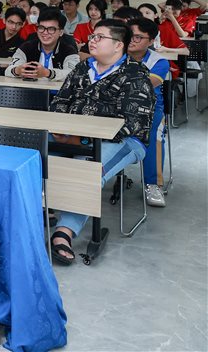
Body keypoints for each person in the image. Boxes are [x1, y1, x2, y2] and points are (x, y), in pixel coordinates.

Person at [49, 20, 154, 264]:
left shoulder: (135, 74)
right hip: (72, 135)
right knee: (36, 157)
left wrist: (82, 137)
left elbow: (132, 123)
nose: (92, 41)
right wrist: (61, 127)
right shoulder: (83, 68)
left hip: (123, 140)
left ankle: (64, 232)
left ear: (118, 45)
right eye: (92, 36)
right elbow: (60, 101)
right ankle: (38, 213)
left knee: (87, 168)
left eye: (99, 37)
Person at [126, 17, 170, 208]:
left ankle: (153, 184)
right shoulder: (115, 53)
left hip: (149, 109)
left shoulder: (158, 61)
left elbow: (145, 85)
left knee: (154, 135)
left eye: (138, 37)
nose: (132, 40)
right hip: (116, 106)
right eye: (130, 35)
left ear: (151, 40)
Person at [6, 8, 80, 81]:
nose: (45, 32)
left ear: (60, 32)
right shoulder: (26, 47)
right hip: (30, 88)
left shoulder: (69, 50)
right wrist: (18, 70)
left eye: (51, 29)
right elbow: (8, 70)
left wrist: (47, 73)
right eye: (41, 28)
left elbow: (73, 75)